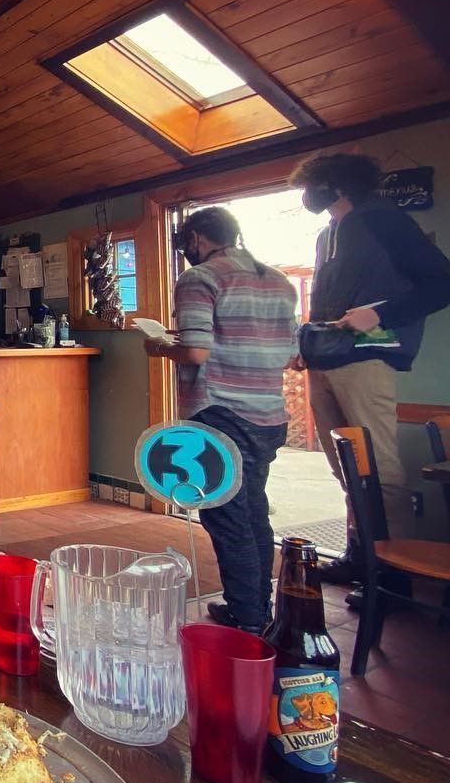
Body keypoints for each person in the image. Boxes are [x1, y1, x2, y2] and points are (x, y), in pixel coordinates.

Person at [288, 151, 450, 585]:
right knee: (346, 467)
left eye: (312, 186)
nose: (308, 195)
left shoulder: (384, 219)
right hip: (327, 359)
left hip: (367, 359)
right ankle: (360, 556)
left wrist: (381, 313)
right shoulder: (329, 234)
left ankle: (393, 574)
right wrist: (307, 345)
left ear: (337, 186)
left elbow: (441, 281)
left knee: (378, 468)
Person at [144, 208, 298, 632]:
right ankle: (255, 609)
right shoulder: (279, 281)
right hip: (268, 415)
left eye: (185, 242)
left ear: (195, 237)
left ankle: (249, 624)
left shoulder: (201, 278)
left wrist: (159, 347)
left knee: (228, 520)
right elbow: (293, 353)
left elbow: (195, 351)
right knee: (253, 514)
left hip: (220, 415)